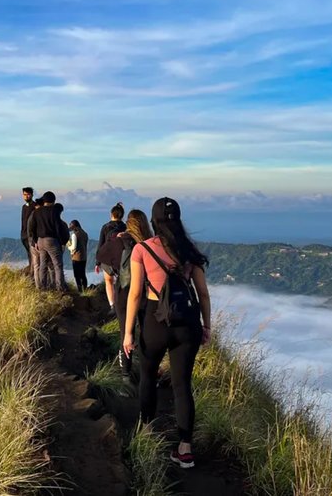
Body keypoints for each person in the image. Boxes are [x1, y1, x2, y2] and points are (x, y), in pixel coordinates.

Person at [123, 198, 211, 470]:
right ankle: (185, 449)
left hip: (155, 321)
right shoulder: (189, 250)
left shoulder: (142, 249)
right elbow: (203, 293)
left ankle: (147, 432)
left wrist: (128, 333)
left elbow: (135, 294)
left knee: (148, 376)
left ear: (154, 221)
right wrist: (206, 326)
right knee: (182, 385)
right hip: (187, 322)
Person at [112, 209, 152, 383]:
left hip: (123, 292)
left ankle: (126, 375)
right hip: (146, 293)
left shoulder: (120, 241)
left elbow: (101, 256)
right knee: (146, 332)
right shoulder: (150, 243)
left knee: (126, 333)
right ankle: (147, 372)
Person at [27, 191, 69, 292]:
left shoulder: (36, 212)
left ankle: (42, 288)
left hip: (40, 241)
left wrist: (35, 241)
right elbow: (58, 228)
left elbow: (32, 228)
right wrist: (62, 242)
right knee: (57, 265)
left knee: (43, 265)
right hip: (52, 241)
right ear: (53, 201)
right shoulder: (54, 211)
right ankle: (60, 288)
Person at [95, 202, 127, 312]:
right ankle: (122, 303)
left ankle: (112, 305)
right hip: (121, 258)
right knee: (122, 282)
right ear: (122, 215)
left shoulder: (105, 227)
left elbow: (101, 244)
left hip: (106, 258)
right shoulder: (125, 227)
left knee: (109, 281)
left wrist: (97, 262)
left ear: (111, 214)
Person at [67, 220, 90, 292]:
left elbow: (74, 247)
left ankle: (80, 291)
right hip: (84, 257)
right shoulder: (85, 234)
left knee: (77, 275)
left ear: (74, 226)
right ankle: (85, 289)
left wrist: (68, 247)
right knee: (83, 274)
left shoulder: (74, 235)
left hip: (76, 257)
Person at [20, 187, 35, 270]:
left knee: (33, 255)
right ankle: (31, 271)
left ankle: (33, 272)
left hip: (31, 235)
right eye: (24, 194)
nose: (26, 196)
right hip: (24, 235)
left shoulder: (35, 206)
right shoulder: (23, 207)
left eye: (28, 194)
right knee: (29, 254)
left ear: (32, 195)